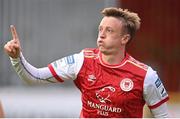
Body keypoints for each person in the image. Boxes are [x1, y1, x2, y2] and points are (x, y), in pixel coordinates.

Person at [4, 7, 169, 118]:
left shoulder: (145, 75)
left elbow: (163, 116)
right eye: (100, 29)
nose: (101, 35)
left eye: (109, 31)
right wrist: (17, 57)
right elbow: (35, 77)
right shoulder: (82, 60)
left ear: (124, 38)